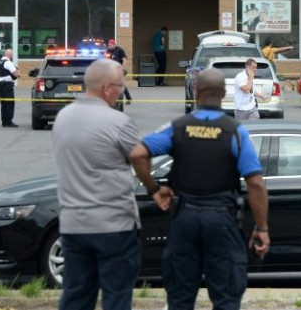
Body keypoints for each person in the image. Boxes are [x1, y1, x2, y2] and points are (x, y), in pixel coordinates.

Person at [129, 68, 269, 310]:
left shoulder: (178, 127)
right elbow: (255, 182)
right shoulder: (235, 131)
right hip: (222, 221)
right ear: (224, 93)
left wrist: (154, 189)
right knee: (226, 298)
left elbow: (138, 153)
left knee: (181, 299)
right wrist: (261, 227)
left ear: (196, 90)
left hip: (184, 220)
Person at [53, 58, 142, 310]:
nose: (121, 91)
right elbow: (139, 158)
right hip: (114, 225)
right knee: (117, 296)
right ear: (106, 88)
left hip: (74, 226)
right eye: (120, 86)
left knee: (76, 296)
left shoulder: (63, 118)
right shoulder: (118, 122)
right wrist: (155, 189)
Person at [0, 48, 20, 127]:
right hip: (7, 85)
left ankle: (4, 121)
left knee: (3, 104)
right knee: (10, 103)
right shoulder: (8, 63)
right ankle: (9, 122)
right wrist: (17, 70)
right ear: (10, 55)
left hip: (1, 85)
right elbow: (16, 74)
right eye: (12, 54)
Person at [107, 38, 132, 104]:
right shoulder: (108, 51)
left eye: (110, 45)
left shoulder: (119, 50)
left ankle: (127, 98)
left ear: (114, 44)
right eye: (108, 45)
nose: (109, 47)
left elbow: (124, 59)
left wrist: (122, 68)